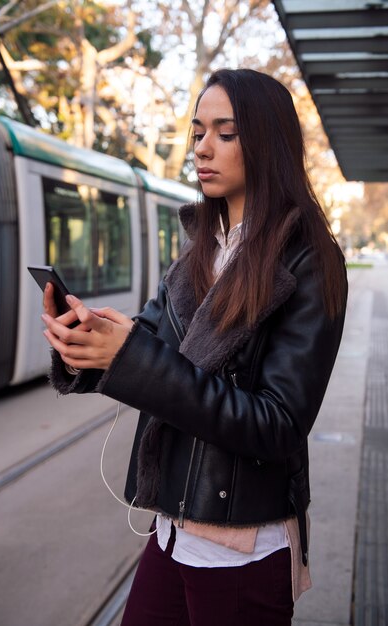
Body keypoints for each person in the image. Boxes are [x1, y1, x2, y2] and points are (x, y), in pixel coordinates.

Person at [42, 68, 348, 625]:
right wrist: (88, 346)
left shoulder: (310, 261)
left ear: (267, 143)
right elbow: (151, 347)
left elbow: (277, 424)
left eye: (225, 134)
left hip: (242, 545)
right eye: (197, 131)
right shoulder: (197, 255)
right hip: (172, 531)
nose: (202, 148)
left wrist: (133, 356)